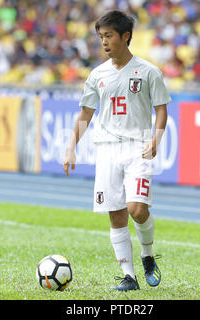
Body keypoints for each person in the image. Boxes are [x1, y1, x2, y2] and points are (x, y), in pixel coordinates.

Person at [63, 10, 171, 291]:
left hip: (138, 147)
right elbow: (86, 114)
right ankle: (129, 276)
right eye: (100, 37)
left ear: (126, 36)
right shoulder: (97, 75)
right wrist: (71, 148)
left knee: (137, 209)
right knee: (116, 214)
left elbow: (161, 110)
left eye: (109, 36)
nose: (104, 42)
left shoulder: (149, 72)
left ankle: (147, 255)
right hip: (107, 150)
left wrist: (156, 140)